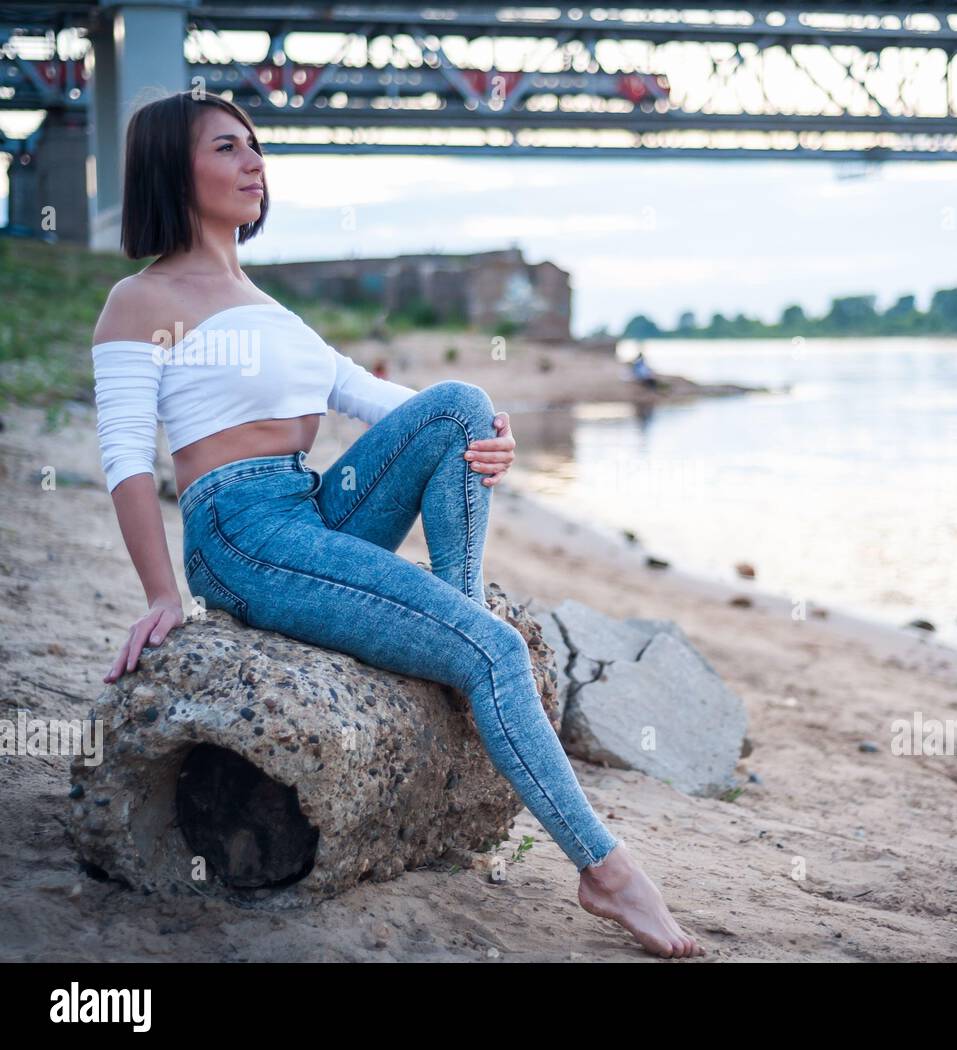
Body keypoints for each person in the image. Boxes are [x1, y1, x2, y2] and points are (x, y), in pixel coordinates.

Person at [91, 89, 703, 959]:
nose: (255, 163)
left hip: (309, 509)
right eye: (229, 148)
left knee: (462, 406)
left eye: (256, 146)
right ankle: (605, 871)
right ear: (170, 168)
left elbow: (400, 409)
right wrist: (160, 592)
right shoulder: (140, 301)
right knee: (495, 649)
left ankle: (459, 623)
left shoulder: (274, 313)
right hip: (237, 534)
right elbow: (122, 456)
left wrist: (492, 439)